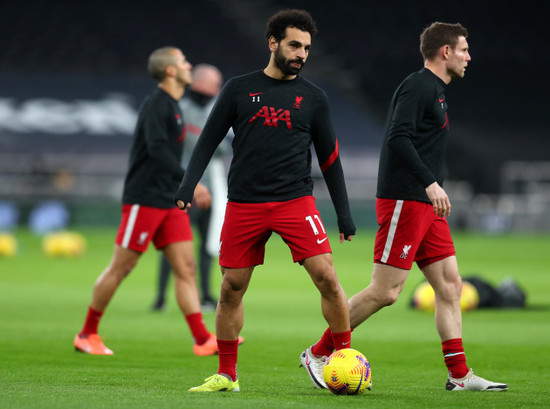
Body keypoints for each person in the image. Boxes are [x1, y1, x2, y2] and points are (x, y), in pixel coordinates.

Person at [300, 22, 508, 392]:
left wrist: (431, 188)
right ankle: (317, 352)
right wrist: (430, 183)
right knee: (386, 291)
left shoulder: (437, 91)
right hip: (405, 199)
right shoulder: (418, 86)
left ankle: (459, 376)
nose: (468, 56)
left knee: (450, 286)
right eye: (463, 49)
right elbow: (397, 137)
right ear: (445, 51)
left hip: (425, 203)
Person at [174, 9, 356, 392]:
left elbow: (330, 159)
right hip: (244, 203)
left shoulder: (314, 98)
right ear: (272, 43)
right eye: (294, 44)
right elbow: (207, 140)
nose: (301, 53)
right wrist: (188, 185)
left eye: (306, 47)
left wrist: (343, 213)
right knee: (230, 288)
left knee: (327, 278)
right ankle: (227, 375)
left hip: (295, 202)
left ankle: (344, 360)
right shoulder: (239, 89)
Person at [74, 47, 221, 357]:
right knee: (121, 267)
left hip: (168, 200)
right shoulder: (157, 105)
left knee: (186, 267)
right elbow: (156, 152)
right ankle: (87, 334)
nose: (188, 65)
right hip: (145, 199)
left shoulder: (175, 106)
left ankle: (202, 339)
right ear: (170, 71)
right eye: (183, 61)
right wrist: (190, 184)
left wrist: (182, 187)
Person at [151, 63, 229, 312]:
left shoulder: (214, 114)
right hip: (182, 190)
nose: (217, 90)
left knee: (207, 246)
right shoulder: (178, 112)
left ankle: (206, 295)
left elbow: (227, 148)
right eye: (215, 84)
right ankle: (161, 298)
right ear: (201, 83)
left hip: (210, 190)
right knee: (172, 245)